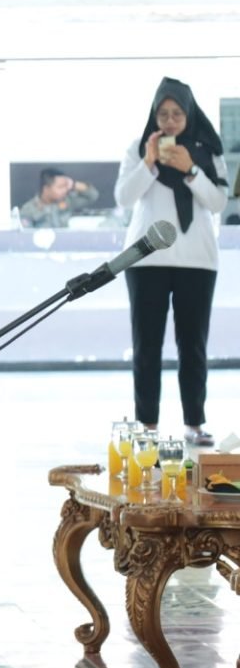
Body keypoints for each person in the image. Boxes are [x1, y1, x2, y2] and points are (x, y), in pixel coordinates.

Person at [114, 77, 230, 446]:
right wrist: (149, 163)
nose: (169, 121)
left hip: (197, 260)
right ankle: (147, 425)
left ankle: (194, 423)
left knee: (193, 345)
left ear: (189, 114)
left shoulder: (209, 151)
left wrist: (191, 169)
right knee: (146, 346)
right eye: (162, 114)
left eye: (177, 113)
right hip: (145, 259)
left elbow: (218, 203)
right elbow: (123, 198)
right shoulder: (138, 149)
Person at [17, 167, 99, 228]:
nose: (65, 190)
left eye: (66, 186)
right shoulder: (28, 209)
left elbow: (92, 196)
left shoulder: (68, 201)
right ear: (46, 189)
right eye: (60, 187)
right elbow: (26, 236)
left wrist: (73, 184)